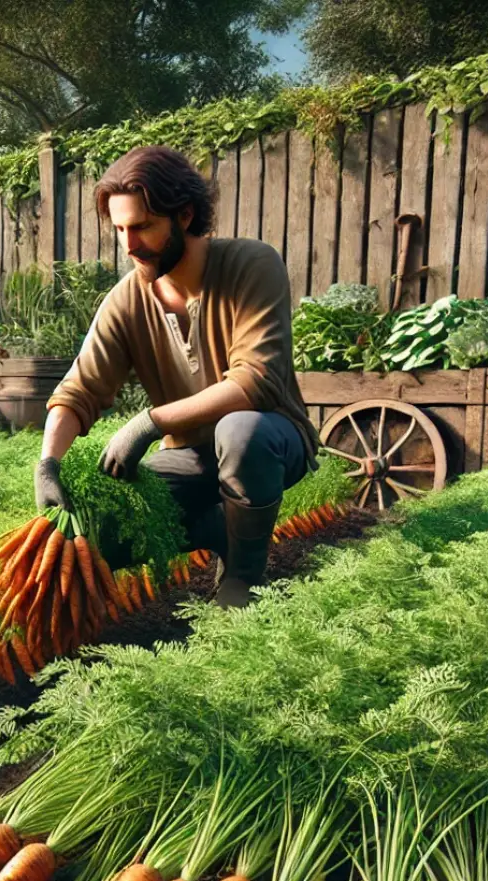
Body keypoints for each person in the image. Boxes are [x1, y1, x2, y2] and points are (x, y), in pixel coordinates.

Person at [34, 144, 320, 608]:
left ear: (184, 215)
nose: (129, 245)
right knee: (101, 526)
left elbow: (256, 381)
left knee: (239, 431)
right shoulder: (128, 299)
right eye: (120, 229)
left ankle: (243, 580)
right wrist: (48, 465)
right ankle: (222, 530)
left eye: (142, 227)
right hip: (189, 456)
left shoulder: (252, 264)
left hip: (269, 438)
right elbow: (78, 390)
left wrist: (149, 423)